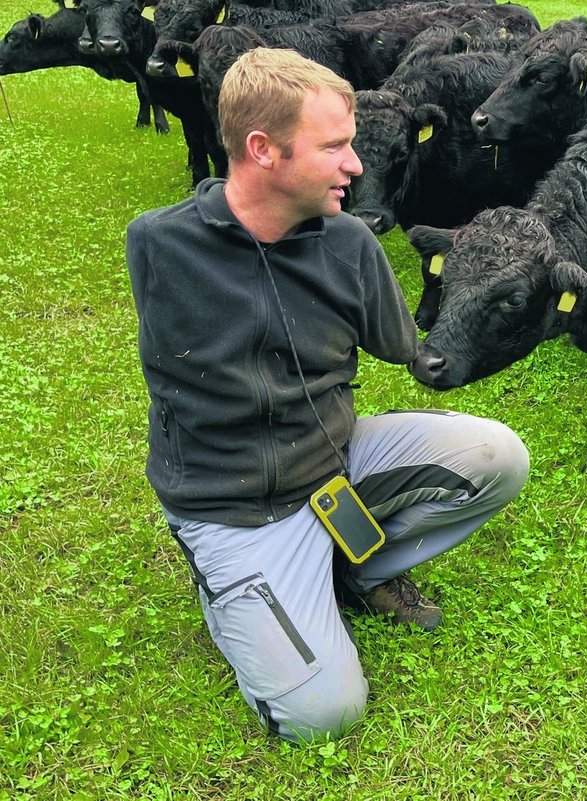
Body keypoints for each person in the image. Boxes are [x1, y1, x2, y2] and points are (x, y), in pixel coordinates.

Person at [125, 48, 529, 742]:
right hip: (232, 507)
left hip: (334, 465)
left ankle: (352, 565)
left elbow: (410, 347)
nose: (356, 165)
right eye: (335, 146)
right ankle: (234, 588)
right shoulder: (159, 246)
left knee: (500, 456)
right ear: (262, 150)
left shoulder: (350, 245)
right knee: (323, 715)